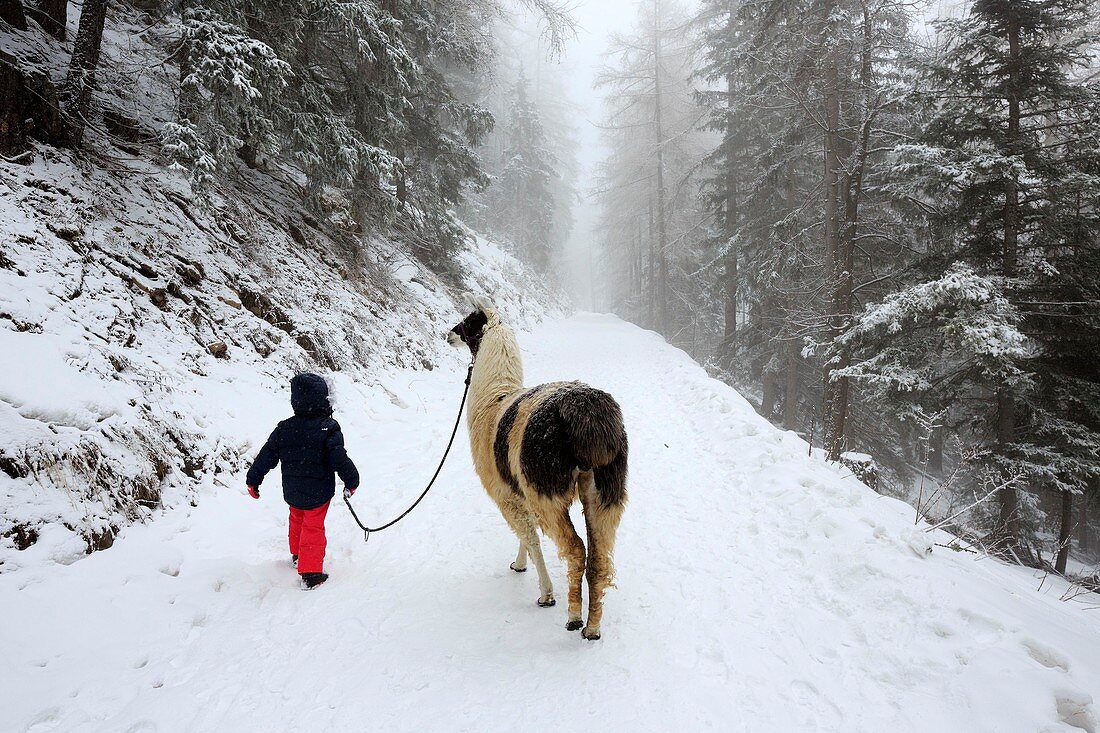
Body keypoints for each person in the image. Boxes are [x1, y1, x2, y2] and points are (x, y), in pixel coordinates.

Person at [246, 373, 359, 589]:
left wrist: (254, 479)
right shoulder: (328, 427)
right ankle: (310, 574)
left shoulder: (284, 428)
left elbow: (266, 455)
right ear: (325, 399)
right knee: (313, 527)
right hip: (318, 492)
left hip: (293, 490)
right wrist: (352, 480)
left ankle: (297, 555)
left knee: (297, 519)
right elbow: (338, 457)